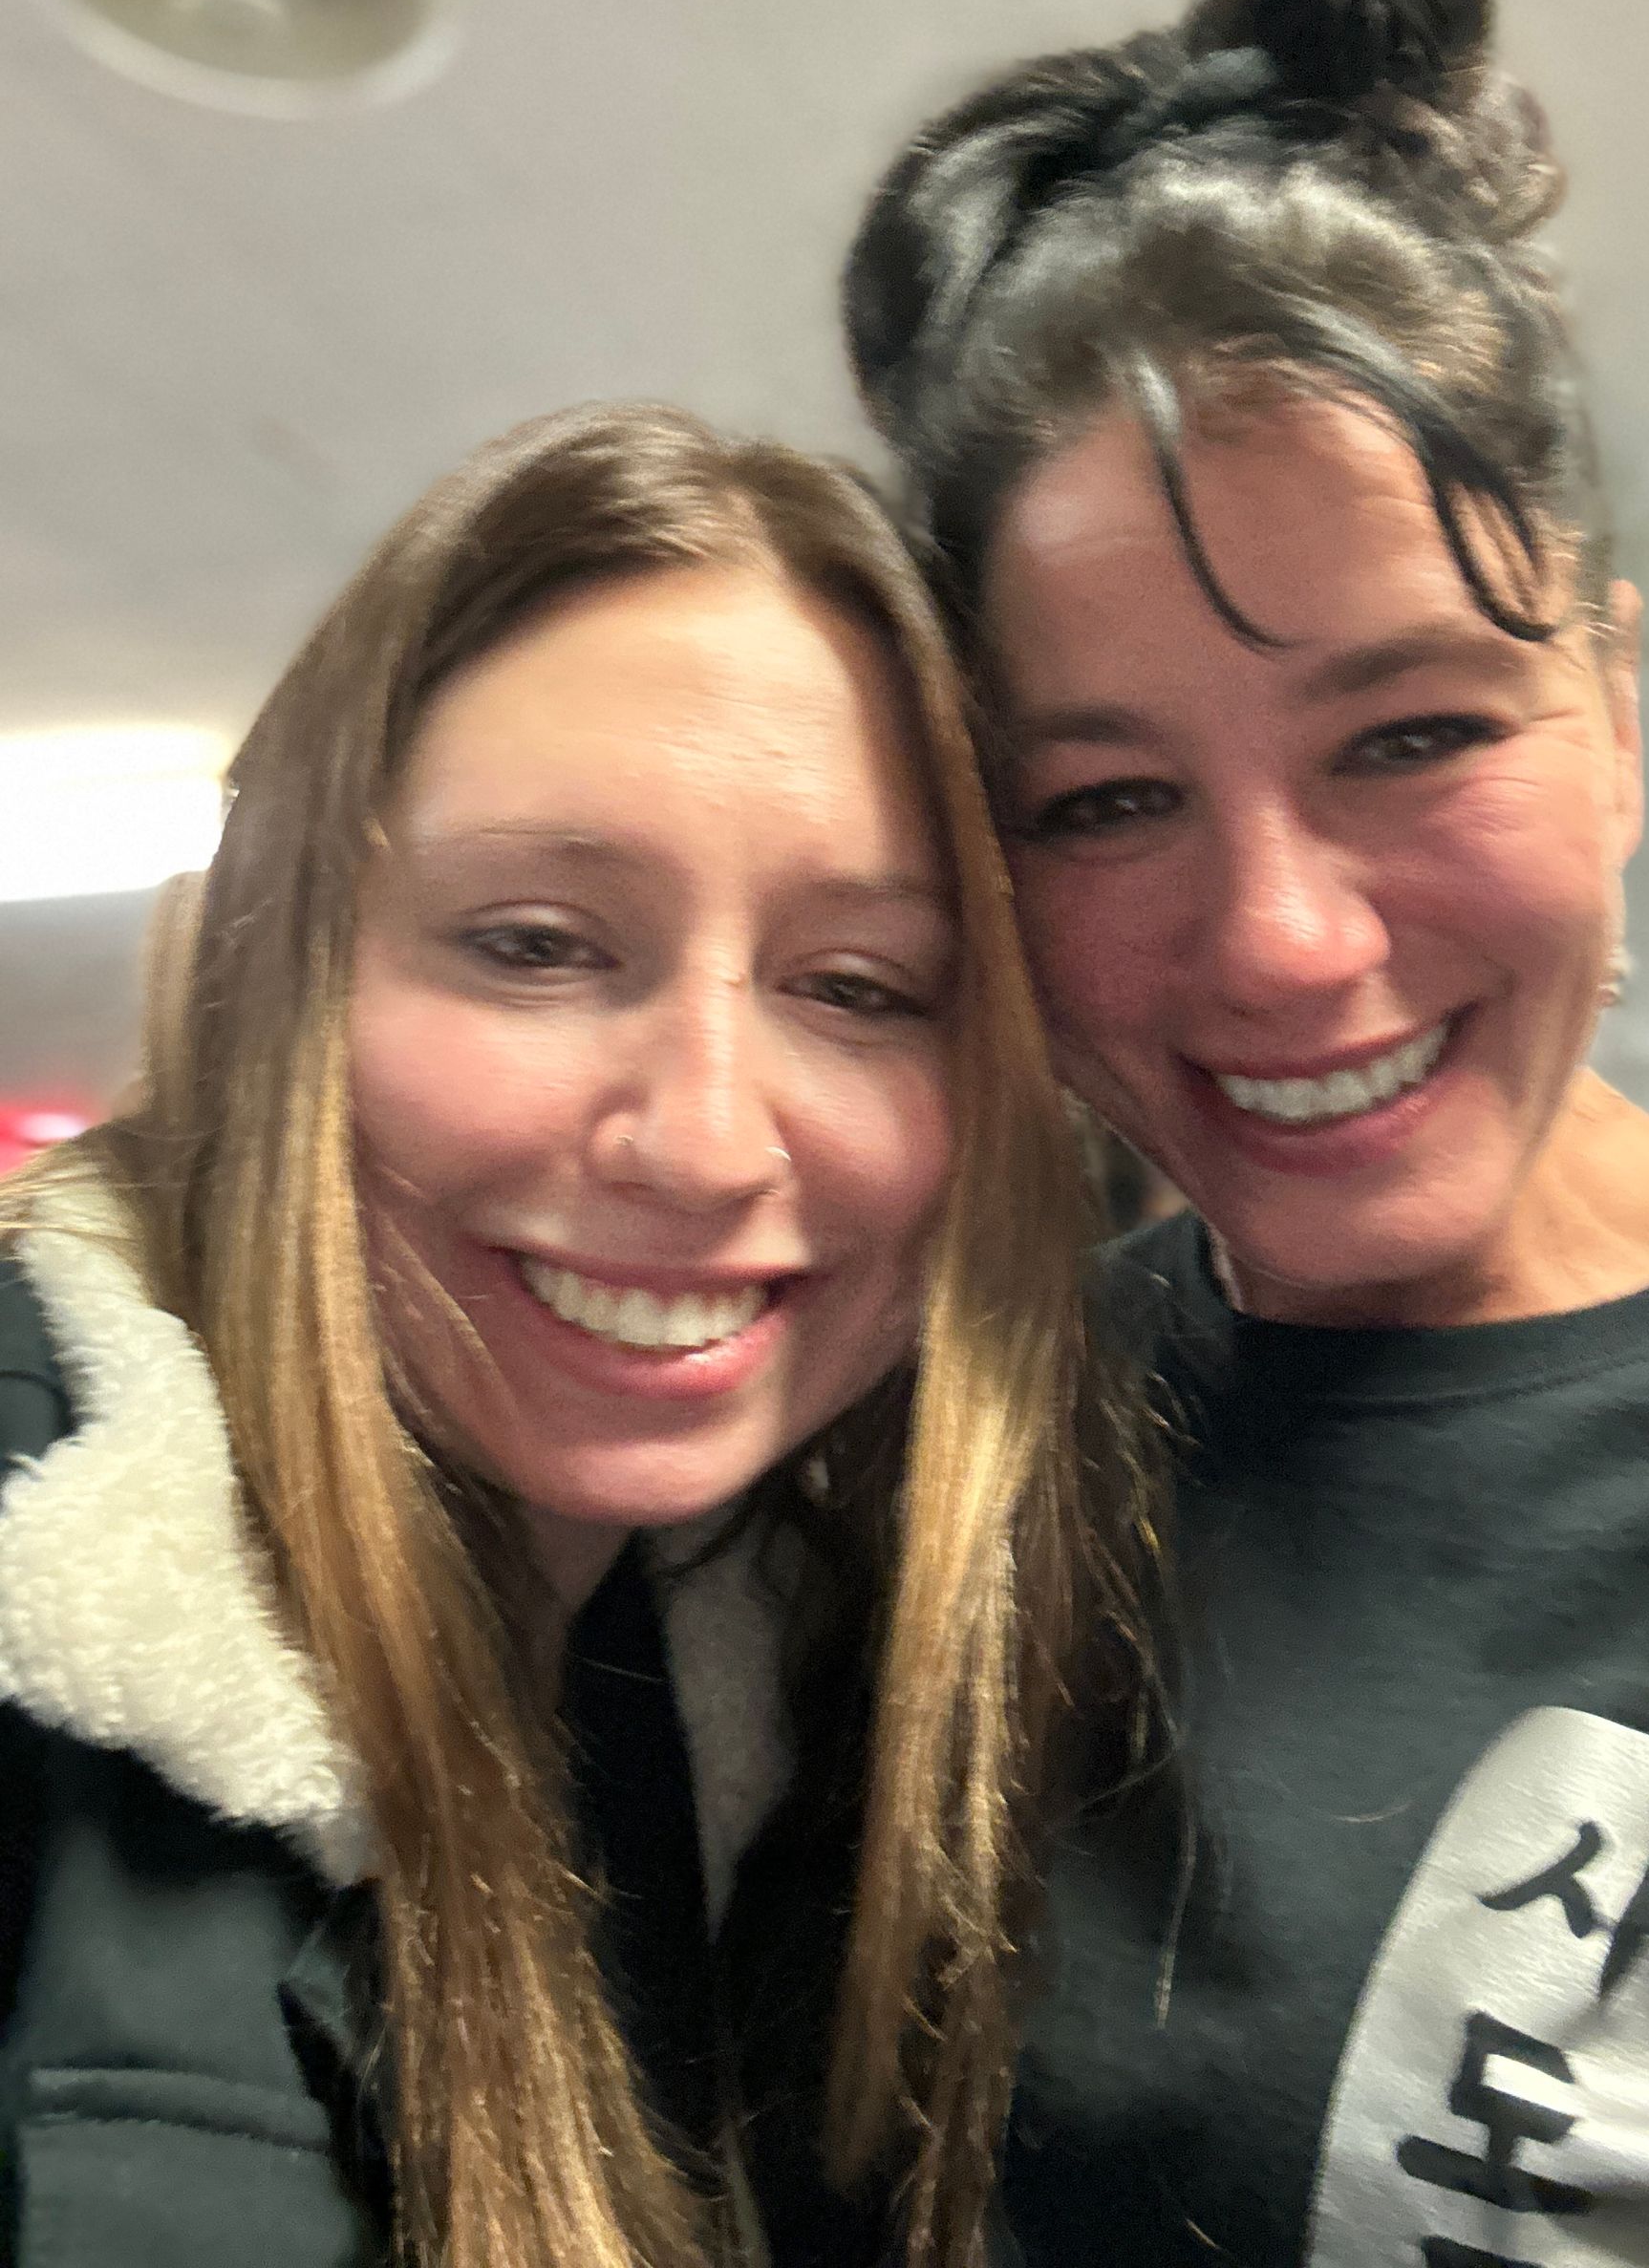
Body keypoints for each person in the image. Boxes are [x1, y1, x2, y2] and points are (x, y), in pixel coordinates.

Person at [842, 0, 1649, 2266]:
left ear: (1605, 690)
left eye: (1409, 733)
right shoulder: (933, 1437)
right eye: (1105, 801)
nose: (1285, 938)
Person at [0, 402, 1134, 2268]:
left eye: (858, 987)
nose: (699, 1136)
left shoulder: (755, 1659)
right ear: (282, 962)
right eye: (536, 942)